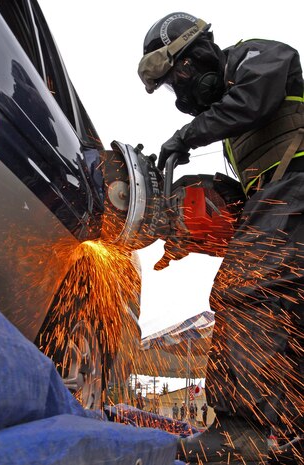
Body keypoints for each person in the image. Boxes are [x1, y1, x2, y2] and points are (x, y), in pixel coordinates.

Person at [138, 12, 304, 464]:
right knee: (289, 315)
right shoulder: (235, 134)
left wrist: (186, 136)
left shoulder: (260, 58)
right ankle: (293, 435)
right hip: (282, 198)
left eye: (180, 77)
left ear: (200, 53)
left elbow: (255, 101)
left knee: (245, 289)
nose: (183, 91)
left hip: (297, 190)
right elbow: (246, 192)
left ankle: (245, 430)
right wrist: (184, 217)